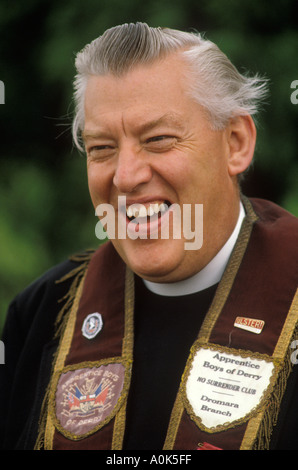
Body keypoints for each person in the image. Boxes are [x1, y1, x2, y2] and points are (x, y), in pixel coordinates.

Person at [0, 22, 297, 451]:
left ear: (235, 143)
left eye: (158, 140)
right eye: (101, 148)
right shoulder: (41, 316)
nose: (126, 177)